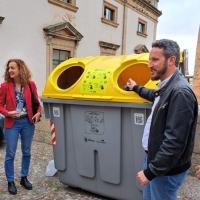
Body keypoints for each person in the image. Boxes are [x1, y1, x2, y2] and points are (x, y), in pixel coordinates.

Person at [125, 39, 198, 200]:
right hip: (156, 162)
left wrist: (151, 172)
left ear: (171, 60)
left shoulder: (180, 92)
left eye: (155, 60)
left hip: (165, 169)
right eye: (150, 59)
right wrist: (136, 88)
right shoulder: (167, 87)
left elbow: (175, 141)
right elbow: (155, 96)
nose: (149, 65)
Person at [0, 59, 42, 195]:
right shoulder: (5, 86)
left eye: (13, 68)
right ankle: (10, 181)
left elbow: (37, 102)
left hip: (28, 122)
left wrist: (38, 113)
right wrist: (7, 113)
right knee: (10, 153)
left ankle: (24, 177)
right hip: (12, 123)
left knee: (27, 152)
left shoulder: (30, 84)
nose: (10, 70)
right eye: (8, 68)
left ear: (20, 69)